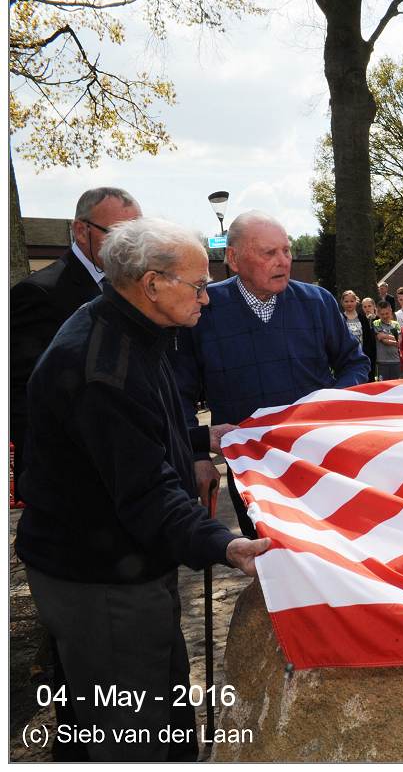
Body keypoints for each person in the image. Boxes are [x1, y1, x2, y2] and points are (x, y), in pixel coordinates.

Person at [16, 217, 270, 762]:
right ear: (152, 284)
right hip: (101, 577)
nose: (208, 297)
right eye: (198, 285)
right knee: (135, 732)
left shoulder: (131, 329)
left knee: (161, 707)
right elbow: (144, 488)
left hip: (122, 564)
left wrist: (202, 436)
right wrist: (224, 545)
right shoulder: (105, 366)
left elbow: (136, 433)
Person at [171, 210, 369, 539]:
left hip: (319, 459)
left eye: (287, 251)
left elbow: (355, 362)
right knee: (271, 561)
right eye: (269, 253)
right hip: (251, 470)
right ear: (233, 258)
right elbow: (179, 392)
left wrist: (330, 404)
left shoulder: (317, 303)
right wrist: (196, 456)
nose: (283, 261)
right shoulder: (204, 310)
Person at [10, 187, 143, 479]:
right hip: (74, 478)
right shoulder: (38, 294)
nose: (132, 247)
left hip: (133, 464)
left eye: (138, 235)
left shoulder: (137, 289)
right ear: (81, 231)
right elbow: (23, 397)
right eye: (121, 235)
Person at [373, 301, 403, 380]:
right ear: (378, 313)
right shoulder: (376, 323)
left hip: (395, 360)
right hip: (382, 361)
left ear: (391, 311)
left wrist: (384, 335)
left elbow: (399, 340)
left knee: (396, 385)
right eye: (382, 314)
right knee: (383, 386)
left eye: (387, 313)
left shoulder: (396, 324)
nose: (385, 316)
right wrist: (394, 340)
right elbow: (382, 339)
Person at [359, 296, 379, 381]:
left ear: (374, 306)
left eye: (369, 306)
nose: (367, 308)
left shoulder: (378, 319)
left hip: (377, 350)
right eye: (365, 306)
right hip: (365, 350)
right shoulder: (360, 319)